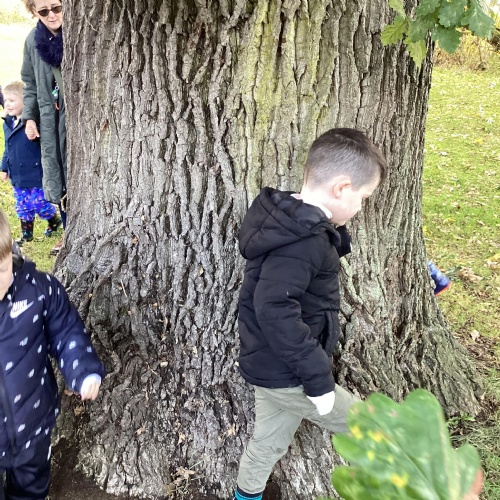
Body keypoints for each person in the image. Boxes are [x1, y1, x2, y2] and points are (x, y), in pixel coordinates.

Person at [233, 128, 387, 500]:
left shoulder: (291, 223)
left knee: (268, 444)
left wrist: (333, 236)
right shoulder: (303, 242)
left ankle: (246, 496)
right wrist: (318, 382)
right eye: (363, 198)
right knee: (372, 428)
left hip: (270, 367)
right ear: (342, 188)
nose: (361, 207)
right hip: (293, 374)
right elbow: (275, 309)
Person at [0, 207, 105, 498]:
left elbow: (65, 329)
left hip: (33, 423)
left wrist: (83, 370)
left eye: (2, 270)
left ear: (10, 253)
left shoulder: (37, 289)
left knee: (31, 488)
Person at [21, 0, 66, 255]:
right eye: (44, 11)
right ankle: (69, 231)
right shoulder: (32, 40)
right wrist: (29, 117)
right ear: (34, 12)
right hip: (49, 118)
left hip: (75, 118)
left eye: (56, 8)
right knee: (57, 172)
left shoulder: (78, 33)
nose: (52, 15)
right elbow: (29, 83)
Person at [1, 80, 62, 245]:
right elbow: (8, 148)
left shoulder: (34, 123)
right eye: (6, 101)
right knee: (23, 204)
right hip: (18, 174)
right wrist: (4, 168)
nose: (8, 104)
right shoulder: (8, 123)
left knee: (39, 202)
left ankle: (53, 220)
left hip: (35, 172)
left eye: (12, 100)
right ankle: (26, 234)